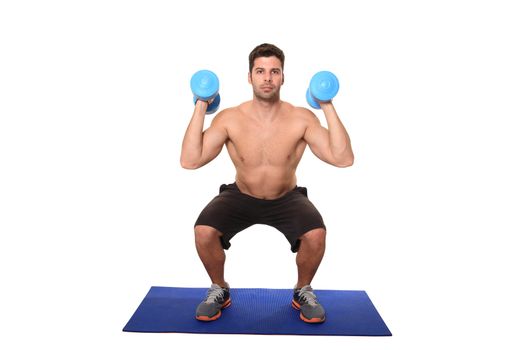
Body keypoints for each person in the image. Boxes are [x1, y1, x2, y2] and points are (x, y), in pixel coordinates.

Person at [180, 43, 354, 323]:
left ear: (283, 77)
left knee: (316, 234)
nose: (268, 78)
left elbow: (343, 158)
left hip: (287, 197)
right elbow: (190, 160)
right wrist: (202, 102)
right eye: (260, 71)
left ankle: (303, 290)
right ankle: (219, 288)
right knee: (203, 231)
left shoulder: (301, 118)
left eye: (274, 71)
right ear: (249, 76)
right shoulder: (230, 118)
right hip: (241, 195)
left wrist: (326, 104)